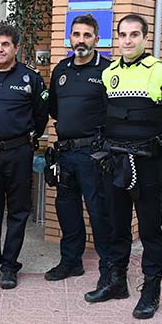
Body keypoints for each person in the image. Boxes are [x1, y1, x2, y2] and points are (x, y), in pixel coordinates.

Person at [85, 14, 162, 321]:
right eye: (123, 35)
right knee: (117, 227)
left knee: (151, 230)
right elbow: (103, 113)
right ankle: (116, 282)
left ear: (145, 38)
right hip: (116, 163)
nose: (127, 40)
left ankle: (151, 291)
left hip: (147, 163)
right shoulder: (108, 73)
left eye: (134, 35)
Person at [0, 24, 49, 290]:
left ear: (16, 48)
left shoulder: (30, 78)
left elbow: (41, 117)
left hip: (18, 154)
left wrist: (23, 140)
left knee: (18, 212)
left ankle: (9, 266)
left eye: (5, 44)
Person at [44, 14, 113, 285]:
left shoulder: (107, 71)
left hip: (93, 154)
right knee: (67, 210)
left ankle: (110, 270)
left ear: (97, 39)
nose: (80, 40)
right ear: (69, 38)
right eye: (76, 34)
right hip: (65, 153)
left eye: (86, 35)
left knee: (98, 211)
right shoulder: (61, 70)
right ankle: (71, 262)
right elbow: (54, 110)